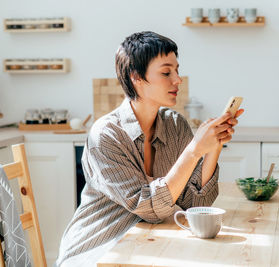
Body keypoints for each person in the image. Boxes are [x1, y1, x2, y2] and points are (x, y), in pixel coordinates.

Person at [56, 31, 244, 266]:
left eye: (176, 70)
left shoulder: (175, 125)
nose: (177, 79)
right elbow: (149, 208)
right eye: (166, 72)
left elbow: (194, 205)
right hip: (96, 251)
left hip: (145, 245)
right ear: (136, 77)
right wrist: (195, 149)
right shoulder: (106, 135)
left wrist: (214, 146)